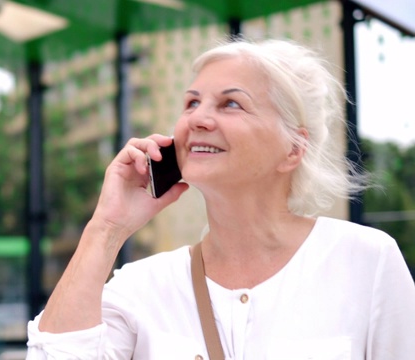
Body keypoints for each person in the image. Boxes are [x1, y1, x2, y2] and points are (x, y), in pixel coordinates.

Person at [25, 38, 415, 359]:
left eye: (231, 103)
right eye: (192, 102)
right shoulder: (145, 287)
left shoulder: (366, 261)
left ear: (294, 148)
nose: (197, 119)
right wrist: (106, 228)